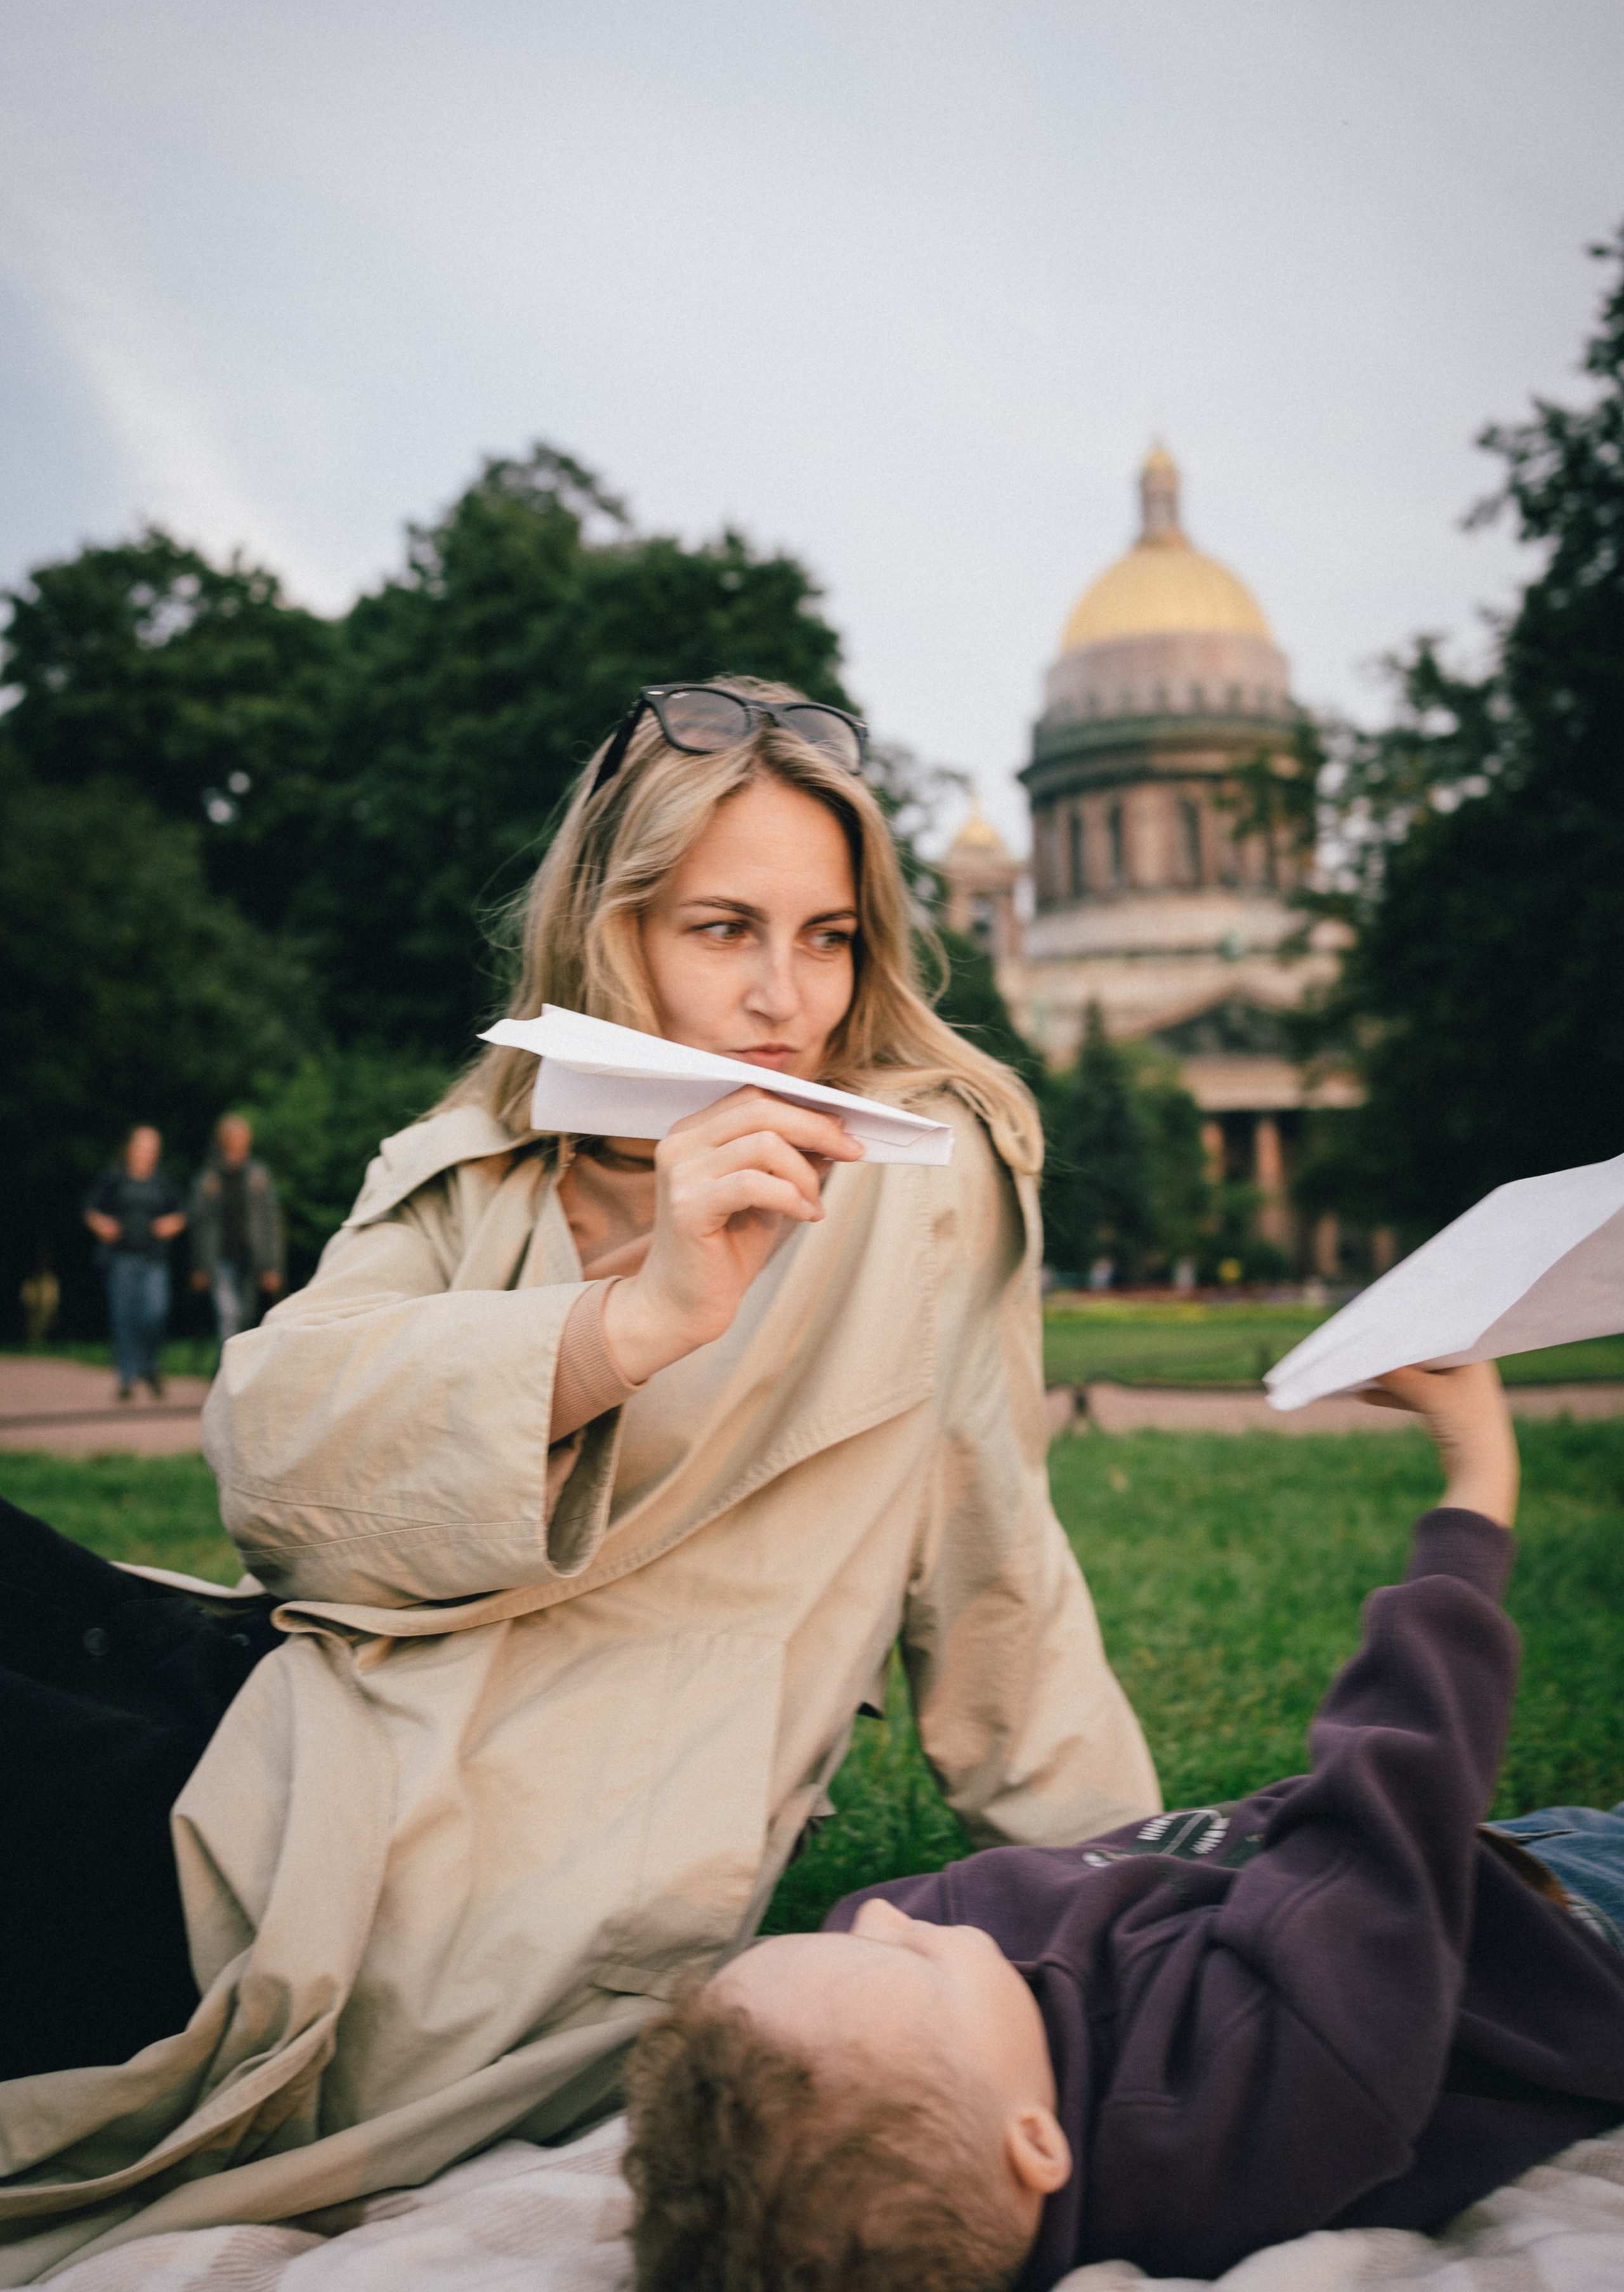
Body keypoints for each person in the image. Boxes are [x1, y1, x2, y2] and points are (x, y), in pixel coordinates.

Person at [0, 678, 1158, 2275]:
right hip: (282, 1707)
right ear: (616, 934)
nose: (783, 998)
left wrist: (1151, 1903)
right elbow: (265, 1454)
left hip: (432, 1877)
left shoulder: (917, 1186)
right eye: (722, 928)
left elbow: (995, 1579)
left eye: (824, 936)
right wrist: (625, 1325)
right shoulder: (487, 1139)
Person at [623, 1359, 1624, 2292]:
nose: (884, 1916)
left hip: (1503, 1865)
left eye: (829, 1938)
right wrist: (1474, 1480)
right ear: (1035, 2144)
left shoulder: (940, 2051)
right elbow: (1388, 1817)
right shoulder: (1238, 2119)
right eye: (905, 1960)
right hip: (1572, 1927)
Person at [82, 1124, 187, 1399]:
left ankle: (150, 1366)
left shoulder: (162, 1182)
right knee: (123, 1319)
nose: (147, 1153)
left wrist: (170, 1224)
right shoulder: (115, 1178)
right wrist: (102, 1224)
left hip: (154, 1260)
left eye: (152, 1149)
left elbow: (183, 1212)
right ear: (131, 1148)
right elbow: (90, 1210)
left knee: (155, 1313)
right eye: (142, 1147)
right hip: (122, 1259)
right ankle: (127, 1378)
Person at [189, 1114, 285, 1347]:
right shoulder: (209, 1177)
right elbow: (198, 1224)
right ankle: (229, 1376)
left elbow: (271, 1222)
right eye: (234, 1137)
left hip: (253, 1259)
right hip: (219, 1260)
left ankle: (229, 1368)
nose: (239, 1142)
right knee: (228, 1316)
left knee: (245, 1319)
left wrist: (273, 1265)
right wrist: (198, 1266)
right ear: (224, 1140)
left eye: (243, 1137)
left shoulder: (258, 1175)